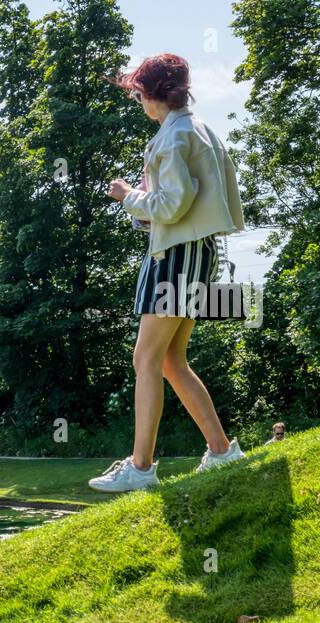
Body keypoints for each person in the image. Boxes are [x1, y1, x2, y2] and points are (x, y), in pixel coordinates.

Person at [91, 53, 247, 493]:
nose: (137, 100)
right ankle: (221, 451)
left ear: (154, 93)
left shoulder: (174, 136)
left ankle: (140, 468)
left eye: (139, 92)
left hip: (173, 257)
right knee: (170, 360)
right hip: (196, 252)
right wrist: (145, 205)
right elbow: (185, 203)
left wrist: (128, 196)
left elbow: (174, 203)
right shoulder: (197, 130)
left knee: (146, 358)